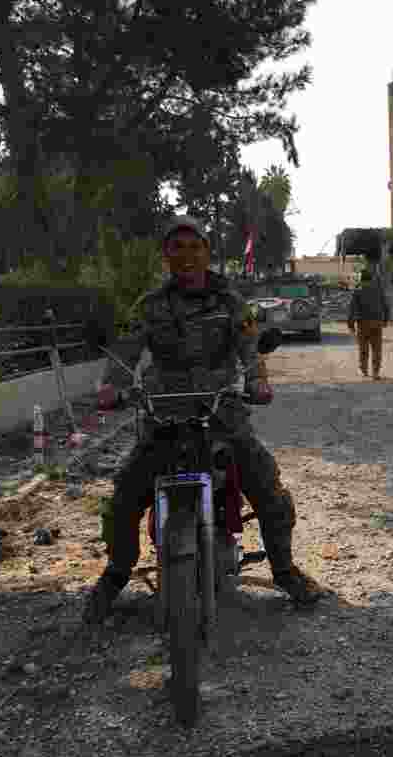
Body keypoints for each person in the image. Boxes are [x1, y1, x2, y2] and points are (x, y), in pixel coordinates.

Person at [85, 214, 321, 623]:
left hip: (221, 411)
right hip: (164, 412)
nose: (187, 256)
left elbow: (250, 348)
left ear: (208, 252)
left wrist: (257, 382)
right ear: (166, 255)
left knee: (269, 492)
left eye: (195, 247)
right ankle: (115, 574)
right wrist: (110, 386)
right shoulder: (151, 304)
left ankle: (284, 570)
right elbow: (125, 350)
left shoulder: (231, 302)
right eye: (177, 248)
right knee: (121, 503)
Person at [347, 267, 391, 379]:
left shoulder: (357, 290)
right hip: (377, 323)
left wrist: (351, 325)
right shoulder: (378, 289)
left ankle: (364, 370)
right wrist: (385, 320)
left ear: (361, 278)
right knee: (377, 348)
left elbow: (352, 309)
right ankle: (376, 372)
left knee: (363, 348)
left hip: (363, 323)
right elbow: (386, 306)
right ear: (371, 278)